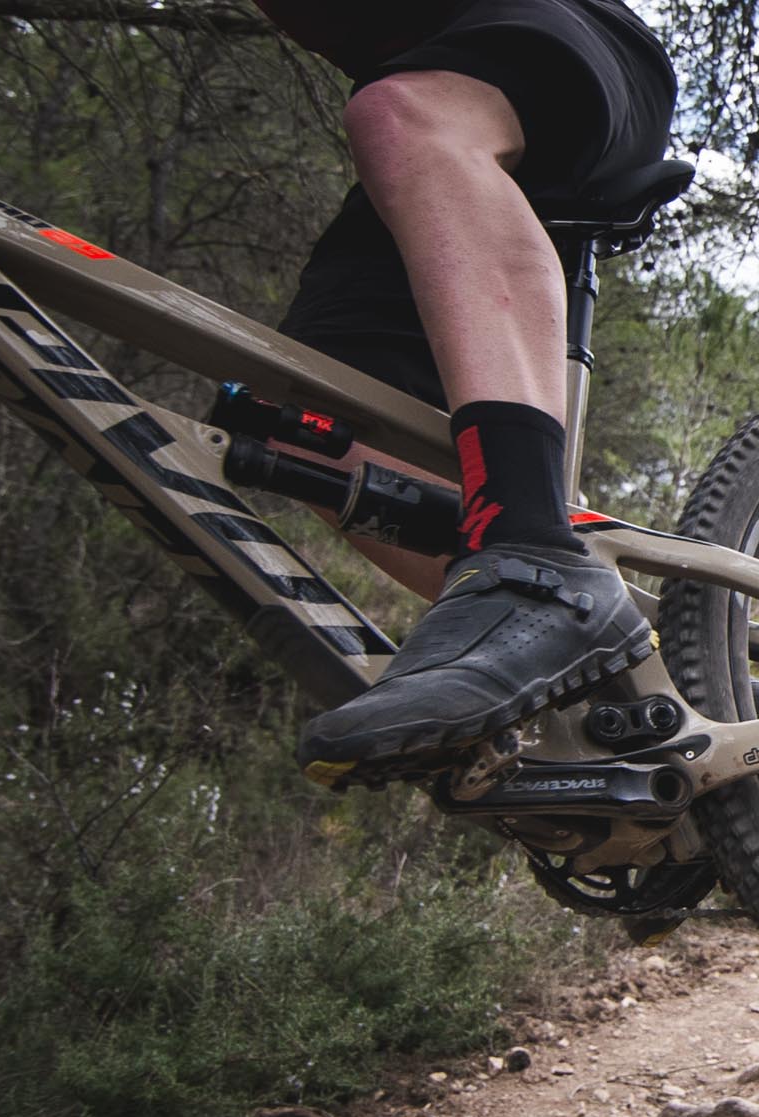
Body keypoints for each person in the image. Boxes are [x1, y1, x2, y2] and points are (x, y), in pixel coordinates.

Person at [249, 0, 678, 784]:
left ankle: (533, 565)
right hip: (451, 107)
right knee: (305, 420)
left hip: (564, 42)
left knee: (399, 113)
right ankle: (653, 676)